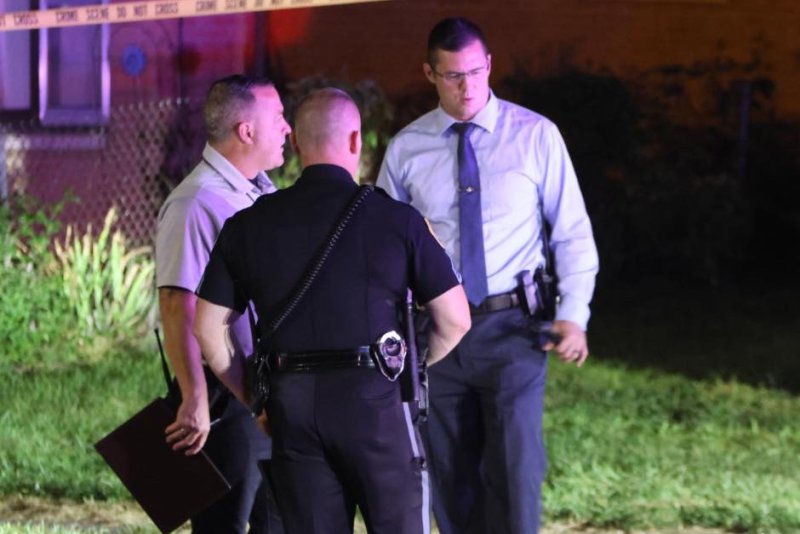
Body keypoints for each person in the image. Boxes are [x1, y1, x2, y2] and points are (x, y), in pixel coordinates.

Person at [193, 87, 472, 534]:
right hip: (377, 404)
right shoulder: (398, 221)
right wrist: (408, 366)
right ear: (357, 141)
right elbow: (456, 318)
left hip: (292, 406)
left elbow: (207, 328)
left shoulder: (249, 224)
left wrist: (256, 396)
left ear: (298, 145)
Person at [376, 17, 600, 534]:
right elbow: (385, 251)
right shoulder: (408, 150)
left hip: (515, 330)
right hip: (438, 335)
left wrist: (573, 315)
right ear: (429, 73)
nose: (467, 87)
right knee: (450, 476)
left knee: (516, 472)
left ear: (490, 65)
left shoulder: (535, 136)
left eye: (475, 73)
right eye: (453, 76)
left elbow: (572, 232)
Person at [155, 74, 290, 533]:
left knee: (275, 520)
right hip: (226, 397)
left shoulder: (261, 192)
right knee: (224, 524)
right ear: (246, 131)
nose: (287, 129)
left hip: (264, 386)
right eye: (278, 119)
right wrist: (194, 397)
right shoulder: (195, 204)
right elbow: (177, 302)